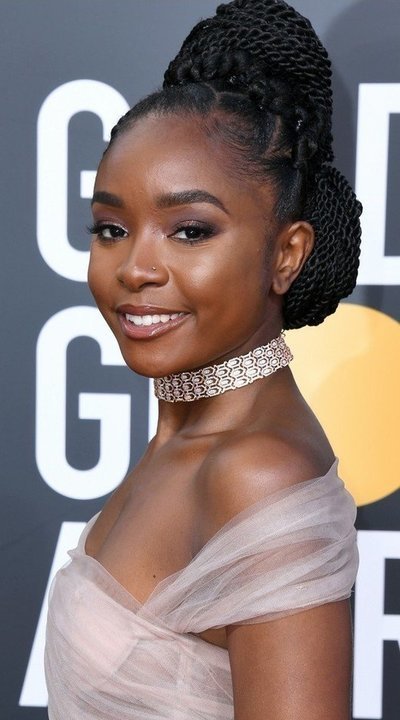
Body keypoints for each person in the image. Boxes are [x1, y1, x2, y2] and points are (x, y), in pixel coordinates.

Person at [45, 0, 361, 718]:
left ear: (287, 253)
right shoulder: (188, 435)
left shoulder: (256, 472)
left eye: (189, 230)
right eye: (111, 228)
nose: (136, 268)